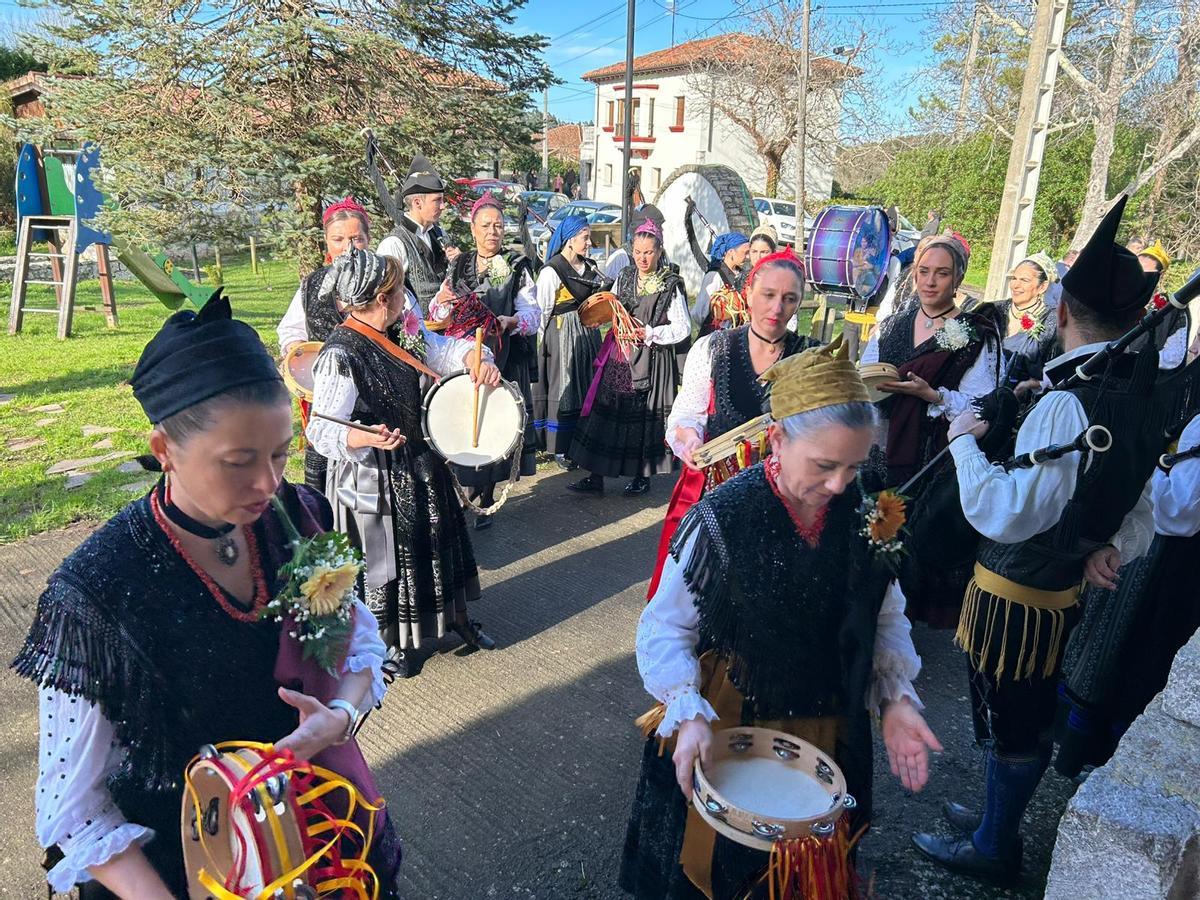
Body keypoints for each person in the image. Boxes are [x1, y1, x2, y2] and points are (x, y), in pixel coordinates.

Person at [15, 293, 401, 899]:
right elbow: (76, 811)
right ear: (164, 450)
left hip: (308, 839)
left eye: (279, 454)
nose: (267, 482)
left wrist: (341, 718)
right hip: (173, 871)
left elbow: (353, 639)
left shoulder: (297, 516)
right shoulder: (98, 591)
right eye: (238, 462)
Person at [619, 340, 942, 899]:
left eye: (854, 465)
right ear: (777, 439)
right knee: (721, 868)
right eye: (824, 465)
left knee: (809, 875)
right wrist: (686, 711)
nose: (840, 483)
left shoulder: (869, 509)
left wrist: (895, 699)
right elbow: (666, 628)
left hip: (834, 717)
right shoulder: (724, 515)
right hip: (733, 714)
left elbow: (885, 615)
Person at [913, 195, 1163, 886]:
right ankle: (994, 816)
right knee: (1009, 712)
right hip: (1055, 589)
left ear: (1061, 312)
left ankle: (996, 845)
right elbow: (1143, 500)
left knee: (1011, 716)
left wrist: (965, 446)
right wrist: (1114, 544)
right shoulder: (1128, 391)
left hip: (1017, 595)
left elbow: (1005, 511)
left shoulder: (1069, 401)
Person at [308, 248, 501, 678]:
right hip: (372, 474)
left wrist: (477, 359)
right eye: (398, 292)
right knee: (391, 556)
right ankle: (388, 640)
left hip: (418, 460)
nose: (404, 300)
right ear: (381, 299)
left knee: (437, 542)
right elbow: (320, 430)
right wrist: (361, 434)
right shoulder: (341, 354)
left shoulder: (401, 330)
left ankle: (453, 617)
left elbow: (445, 350)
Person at [646, 249, 816, 599]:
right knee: (701, 595)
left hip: (782, 501)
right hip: (715, 490)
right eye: (768, 295)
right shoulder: (714, 348)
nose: (777, 308)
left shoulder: (811, 356)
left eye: (789, 298)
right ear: (749, 293)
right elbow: (685, 415)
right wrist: (690, 439)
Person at [858, 235, 1000, 629]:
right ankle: (869, 614)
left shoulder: (973, 334)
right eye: (924, 271)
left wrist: (932, 395)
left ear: (958, 281)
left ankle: (900, 627)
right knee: (871, 530)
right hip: (880, 445)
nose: (930, 282)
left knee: (909, 539)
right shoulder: (894, 323)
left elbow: (980, 405)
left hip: (930, 455)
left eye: (942, 274)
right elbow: (865, 371)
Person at [1055, 410, 1200, 778]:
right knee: (1113, 655)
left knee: (1126, 658)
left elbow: (1180, 512)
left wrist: (1148, 474)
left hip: (1167, 559)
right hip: (1161, 553)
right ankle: (1091, 756)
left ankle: (1100, 762)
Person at [428, 192, 542, 527]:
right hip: (464, 356)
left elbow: (533, 313)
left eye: (498, 225)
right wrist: (443, 301)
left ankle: (488, 492)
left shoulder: (518, 265)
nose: (492, 231)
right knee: (467, 419)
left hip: (503, 355)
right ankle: (466, 489)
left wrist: (512, 321)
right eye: (485, 225)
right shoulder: (459, 264)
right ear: (473, 230)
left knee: (494, 420)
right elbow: (437, 310)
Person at [568, 219, 690, 496]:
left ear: (659, 251)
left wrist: (649, 332)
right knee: (606, 412)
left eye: (648, 252)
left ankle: (641, 476)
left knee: (641, 419)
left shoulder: (671, 284)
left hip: (651, 359)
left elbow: (682, 328)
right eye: (637, 252)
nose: (642, 258)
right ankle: (595, 475)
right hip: (620, 355)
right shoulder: (624, 276)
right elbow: (610, 306)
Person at [276, 197, 374, 492]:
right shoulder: (312, 284)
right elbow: (291, 329)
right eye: (338, 238)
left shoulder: (386, 282)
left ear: (368, 240)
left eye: (356, 238)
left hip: (376, 404)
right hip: (327, 403)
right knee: (324, 478)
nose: (348, 246)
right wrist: (296, 352)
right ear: (327, 242)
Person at [532, 214, 611, 465]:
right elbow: (541, 311)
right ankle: (560, 447)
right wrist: (543, 347)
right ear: (569, 241)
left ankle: (583, 442)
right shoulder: (552, 271)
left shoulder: (589, 267)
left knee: (588, 386)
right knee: (565, 389)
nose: (589, 243)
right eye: (585, 238)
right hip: (561, 334)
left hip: (588, 335)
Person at [376, 154, 459, 312]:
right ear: (417, 203)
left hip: (446, 325)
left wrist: (457, 263)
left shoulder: (439, 233)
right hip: (415, 331)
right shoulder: (394, 244)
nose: (443, 206)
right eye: (437, 200)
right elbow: (386, 298)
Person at [997, 252, 1060, 394]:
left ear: (1042, 287)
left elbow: (1057, 371)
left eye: (1024, 280)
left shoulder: (1052, 321)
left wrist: (1032, 384)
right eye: (1014, 278)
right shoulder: (994, 310)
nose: (1015, 285)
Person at [692, 232, 750, 337]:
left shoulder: (741, 275)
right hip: (715, 336)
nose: (748, 257)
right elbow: (699, 312)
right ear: (731, 252)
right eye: (745, 253)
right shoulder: (715, 276)